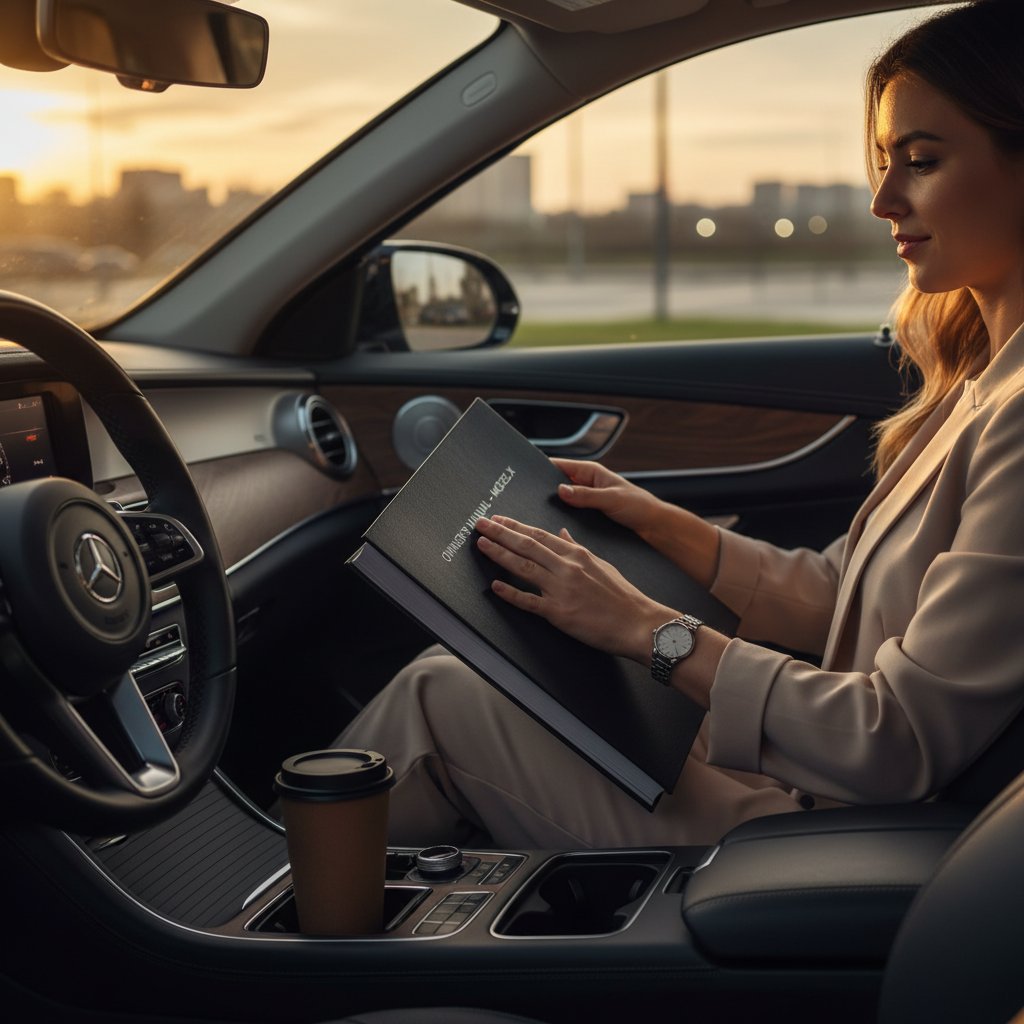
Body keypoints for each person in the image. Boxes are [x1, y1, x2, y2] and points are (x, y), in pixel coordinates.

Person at [335, 0, 1024, 850]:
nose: (882, 198)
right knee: (457, 681)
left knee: (439, 701)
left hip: (856, 836)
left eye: (921, 161)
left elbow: (899, 741)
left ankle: (240, 964)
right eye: (884, 161)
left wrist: (644, 628)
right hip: (826, 782)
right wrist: (664, 529)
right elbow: (842, 597)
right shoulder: (981, 383)